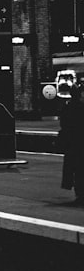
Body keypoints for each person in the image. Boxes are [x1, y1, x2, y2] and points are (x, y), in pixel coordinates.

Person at [56, 70, 84, 203]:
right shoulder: (80, 108)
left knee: (75, 169)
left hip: (72, 143)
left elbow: (64, 124)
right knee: (80, 169)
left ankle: (79, 193)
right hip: (79, 141)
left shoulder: (68, 108)